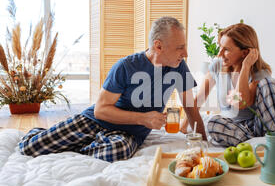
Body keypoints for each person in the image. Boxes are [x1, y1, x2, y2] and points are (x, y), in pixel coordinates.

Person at [19, 16, 206, 162]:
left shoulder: (179, 67)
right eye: (180, 48)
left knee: (119, 151)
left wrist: (205, 143)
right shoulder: (126, 66)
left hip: (128, 134)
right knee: (30, 148)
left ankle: (82, 143)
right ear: (158, 46)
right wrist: (144, 118)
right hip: (96, 121)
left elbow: (190, 106)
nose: (186, 54)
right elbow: (101, 110)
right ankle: (42, 133)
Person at [180, 23, 275, 147]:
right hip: (236, 129)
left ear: (245, 53)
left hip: (259, 125)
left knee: (270, 83)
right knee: (213, 123)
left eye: (226, 49)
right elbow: (199, 98)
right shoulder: (217, 67)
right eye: (220, 47)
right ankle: (256, 143)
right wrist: (183, 127)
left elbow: (239, 102)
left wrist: (245, 67)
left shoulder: (260, 74)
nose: (219, 54)